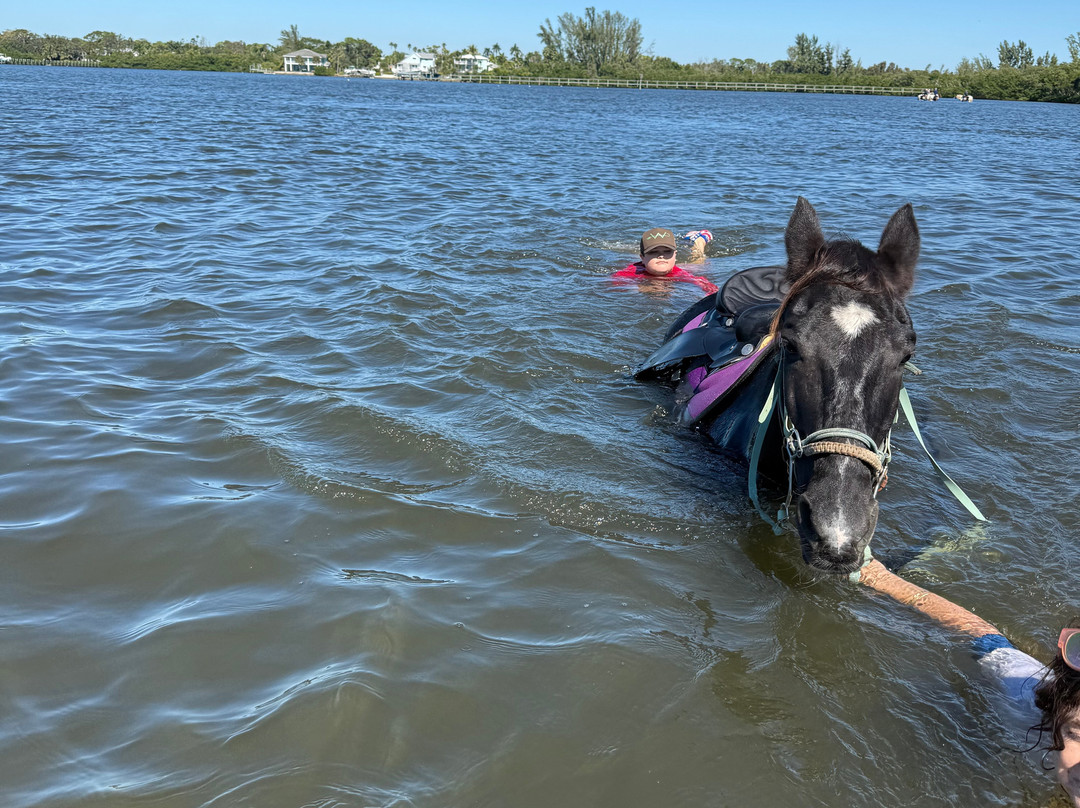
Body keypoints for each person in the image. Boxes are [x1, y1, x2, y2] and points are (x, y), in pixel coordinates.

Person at [858, 559, 1080, 804]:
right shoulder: (1020, 691)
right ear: (1056, 713)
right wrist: (880, 578)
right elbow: (981, 635)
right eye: (1077, 735)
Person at [611, 227, 718, 295]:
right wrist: (644, 288)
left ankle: (699, 240)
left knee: (698, 263)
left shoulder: (683, 274)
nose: (661, 256)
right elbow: (614, 284)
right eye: (653, 252)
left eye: (667, 251)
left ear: (675, 255)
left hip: (681, 268)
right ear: (642, 257)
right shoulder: (629, 273)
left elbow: (711, 289)